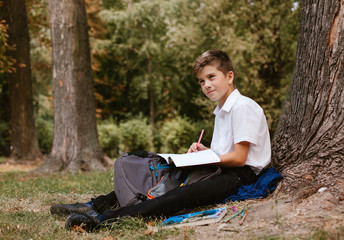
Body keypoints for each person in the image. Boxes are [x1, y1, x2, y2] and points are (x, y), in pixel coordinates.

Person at [50, 49, 271, 231]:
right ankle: (94, 205)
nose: (206, 85)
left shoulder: (242, 107)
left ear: (229, 76)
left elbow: (240, 158)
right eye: (202, 81)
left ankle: (105, 220)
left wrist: (208, 158)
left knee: (183, 194)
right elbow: (228, 151)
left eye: (212, 77)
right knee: (161, 174)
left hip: (241, 176)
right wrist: (205, 151)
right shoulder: (221, 110)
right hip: (223, 168)